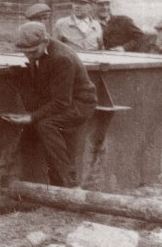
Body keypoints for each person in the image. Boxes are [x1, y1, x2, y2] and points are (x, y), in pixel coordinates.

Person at [6, 22, 98, 188]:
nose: (29, 56)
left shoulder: (62, 58)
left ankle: (69, 182)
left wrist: (32, 117)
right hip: (61, 101)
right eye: (25, 53)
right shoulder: (40, 52)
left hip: (80, 103)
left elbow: (62, 102)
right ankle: (58, 186)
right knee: (44, 127)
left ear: (45, 41)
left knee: (46, 125)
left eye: (33, 52)